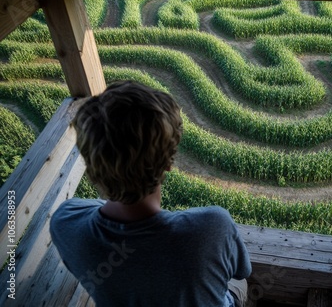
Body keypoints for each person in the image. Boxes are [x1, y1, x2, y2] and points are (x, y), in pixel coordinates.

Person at [50, 80, 251, 307]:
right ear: (168, 163)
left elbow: (96, 210)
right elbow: (242, 269)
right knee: (239, 283)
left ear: (92, 167)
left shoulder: (65, 223)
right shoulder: (213, 226)